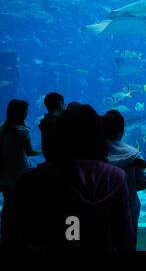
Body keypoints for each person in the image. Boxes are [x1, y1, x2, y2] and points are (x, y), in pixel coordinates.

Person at [1, 103, 135, 251]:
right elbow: (125, 237)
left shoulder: (29, 179)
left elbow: (10, 230)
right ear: (99, 136)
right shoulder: (114, 178)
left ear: (56, 135)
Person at [102, 110, 146, 236]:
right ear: (123, 131)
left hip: (102, 209)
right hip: (128, 208)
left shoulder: (96, 153)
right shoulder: (133, 154)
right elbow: (144, 181)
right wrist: (131, 186)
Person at [0, 100, 42, 232]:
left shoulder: (1, 127)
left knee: (7, 201)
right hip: (19, 170)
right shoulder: (23, 131)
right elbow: (29, 152)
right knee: (22, 201)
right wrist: (44, 151)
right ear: (21, 112)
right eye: (26, 110)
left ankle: (5, 228)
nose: (27, 112)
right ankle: (19, 229)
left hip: (3, 170)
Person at [39, 92, 65, 161]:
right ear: (60, 103)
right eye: (64, 103)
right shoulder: (57, 122)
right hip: (60, 163)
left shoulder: (45, 121)